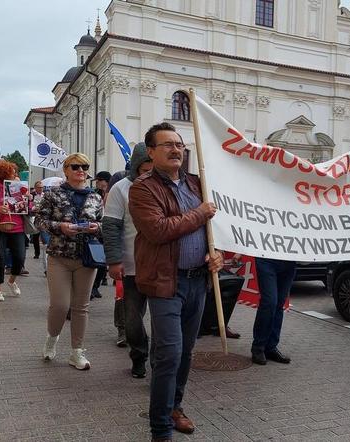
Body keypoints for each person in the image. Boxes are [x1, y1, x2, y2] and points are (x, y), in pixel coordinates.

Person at [129, 122, 222, 441]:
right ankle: (159, 429)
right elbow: (158, 230)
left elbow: (215, 230)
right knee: (169, 352)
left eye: (180, 145)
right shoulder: (142, 188)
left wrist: (218, 254)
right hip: (166, 283)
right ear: (151, 152)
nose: (175, 150)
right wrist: (201, 213)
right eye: (167, 145)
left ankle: (174, 407)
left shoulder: (199, 184)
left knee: (186, 352)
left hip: (199, 281)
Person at [35, 153, 103, 370]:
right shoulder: (54, 194)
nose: (80, 170)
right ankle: (52, 337)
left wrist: (97, 228)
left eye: (84, 166)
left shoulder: (96, 197)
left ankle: (76, 352)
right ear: (65, 170)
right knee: (60, 305)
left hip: (86, 258)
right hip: (59, 257)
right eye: (75, 166)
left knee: (81, 307)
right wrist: (60, 227)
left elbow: (104, 224)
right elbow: (39, 220)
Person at [103, 143, 153, 375]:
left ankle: (160, 363)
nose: (151, 171)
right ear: (136, 167)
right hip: (132, 265)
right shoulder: (121, 189)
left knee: (165, 320)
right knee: (133, 317)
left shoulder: (168, 186)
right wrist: (114, 261)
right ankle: (139, 355)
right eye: (146, 168)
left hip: (163, 266)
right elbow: (111, 227)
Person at [0, 160, 28, 302]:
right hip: (0, 226)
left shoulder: (18, 187)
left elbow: (25, 207)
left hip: (17, 227)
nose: (16, 174)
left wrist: (27, 200)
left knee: (20, 257)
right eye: (13, 172)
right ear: (4, 174)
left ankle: (11, 281)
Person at [250, 258, 296, 365]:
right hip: (266, 259)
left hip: (288, 262)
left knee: (279, 305)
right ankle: (258, 346)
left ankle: (270, 347)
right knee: (269, 302)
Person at [90, 171, 111, 299]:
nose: (97, 182)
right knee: (97, 259)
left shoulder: (114, 192)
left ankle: (96, 286)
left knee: (104, 261)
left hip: (109, 230)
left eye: (99, 180)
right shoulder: (94, 194)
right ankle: (92, 287)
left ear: (106, 181)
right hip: (97, 231)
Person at [30, 180, 45, 259]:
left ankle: (46, 254)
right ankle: (37, 253)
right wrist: (33, 208)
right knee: (35, 237)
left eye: (42, 187)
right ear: (35, 188)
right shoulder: (31, 195)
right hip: (34, 217)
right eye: (39, 187)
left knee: (44, 237)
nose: (41, 189)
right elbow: (28, 206)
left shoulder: (45, 195)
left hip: (43, 218)